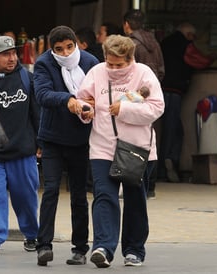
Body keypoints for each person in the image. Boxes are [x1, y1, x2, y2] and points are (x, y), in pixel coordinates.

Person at [76, 34, 164, 268]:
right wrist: (85, 111)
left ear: (130, 59)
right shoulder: (96, 72)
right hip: (102, 146)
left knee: (135, 199)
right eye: (110, 63)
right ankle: (103, 247)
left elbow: (156, 108)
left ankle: (134, 249)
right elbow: (83, 100)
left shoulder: (144, 73)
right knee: (104, 195)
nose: (114, 68)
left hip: (136, 147)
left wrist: (123, 110)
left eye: (119, 64)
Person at [33, 25, 99, 266]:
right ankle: (44, 246)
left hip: (81, 139)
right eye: (59, 49)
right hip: (52, 139)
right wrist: (69, 100)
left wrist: (91, 103)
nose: (65, 52)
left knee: (79, 194)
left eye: (69, 47)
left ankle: (80, 248)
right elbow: (42, 94)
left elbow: (101, 93)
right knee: (50, 191)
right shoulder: (44, 63)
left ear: (76, 44)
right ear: (52, 50)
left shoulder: (91, 62)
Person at [0, 36, 41, 255]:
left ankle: (32, 235)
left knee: (26, 197)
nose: (12, 58)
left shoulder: (26, 78)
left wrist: (40, 143)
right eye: (5, 54)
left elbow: (37, 113)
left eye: (13, 53)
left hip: (22, 150)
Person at [158, 22, 217, 183]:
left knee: (170, 128)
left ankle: (166, 164)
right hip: (173, 90)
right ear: (189, 35)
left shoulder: (165, 42)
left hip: (163, 87)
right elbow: (199, 60)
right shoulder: (183, 44)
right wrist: (212, 58)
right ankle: (167, 164)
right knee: (173, 129)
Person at [123, 9, 165, 199]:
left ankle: (136, 183)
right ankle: (151, 186)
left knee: (132, 140)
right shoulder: (154, 42)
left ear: (127, 24)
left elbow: (126, 73)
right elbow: (162, 70)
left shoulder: (131, 44)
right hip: (154, 94)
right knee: (151, 140)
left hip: (134, 96)